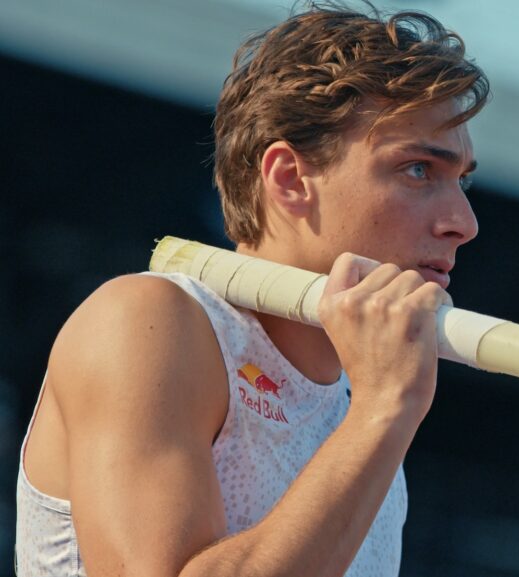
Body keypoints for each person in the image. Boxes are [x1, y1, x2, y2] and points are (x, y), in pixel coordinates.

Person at [15, 3, 488, 576]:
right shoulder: (146, 321)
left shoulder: (358, 421)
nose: (464, 222)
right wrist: (384, 411)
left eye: (460, 180)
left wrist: (377, 416)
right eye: (419, 170)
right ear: (289, 181)